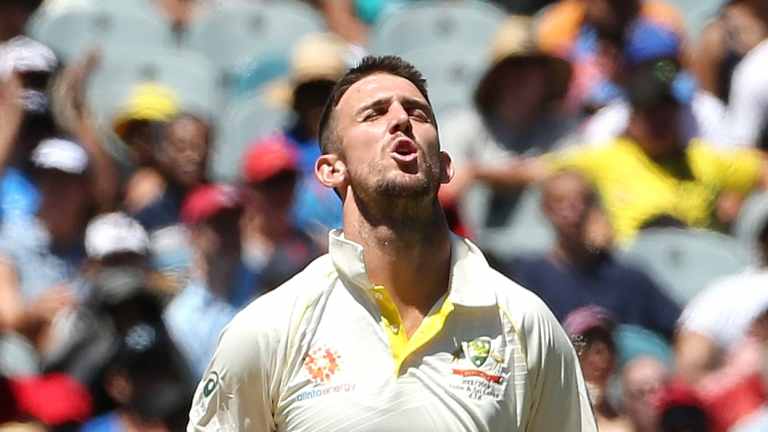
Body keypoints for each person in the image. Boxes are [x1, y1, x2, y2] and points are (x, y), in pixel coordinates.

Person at [188, 55, 596, 431]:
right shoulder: (270, 329)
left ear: (444, 166)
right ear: (331, 170)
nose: (400, 120)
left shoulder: (525, 324)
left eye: (417, 113)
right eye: (374, 114)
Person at [510, 170, 680, 338]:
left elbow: (678, 324)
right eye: (560, 201)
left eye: (580, 200)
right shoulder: (528, 275)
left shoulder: (628, 278)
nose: (571, 209)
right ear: (545, 209)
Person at [563, 306, 633, 432]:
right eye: (586, 342)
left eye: (606, 341)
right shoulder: (555, 412)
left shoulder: (629, 410)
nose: (600, 351)